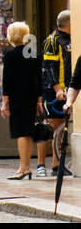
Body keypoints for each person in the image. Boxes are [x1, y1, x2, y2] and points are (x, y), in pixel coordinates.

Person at [1, 21, 44, 180]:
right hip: (31, 98)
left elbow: (7, 81)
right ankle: (27, 167)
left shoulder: (10, 56)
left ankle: (23, 168)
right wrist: (39, 100)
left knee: (20, 133)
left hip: (17, 98)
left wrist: (4, 102)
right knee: (28, 132)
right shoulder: (33, 54)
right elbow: (38, 79)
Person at [41, 11, 72, 178]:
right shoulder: (52, 40)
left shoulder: (73, 38)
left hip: (69, 89)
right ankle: (50, 163)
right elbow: (48, 67)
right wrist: (57, 89)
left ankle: (57, 164)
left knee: (62, 127)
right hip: (54, 91)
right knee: (55, 126)